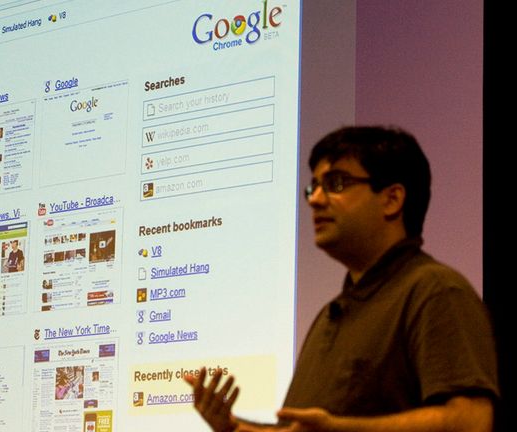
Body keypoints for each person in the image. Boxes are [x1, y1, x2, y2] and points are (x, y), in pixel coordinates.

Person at [185, 126, 498, 431]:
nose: (315, 199)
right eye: (313, 186)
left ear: (392, 199)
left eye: (336, 183)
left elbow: (471, 421)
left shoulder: (435, 290)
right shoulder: (329, 314)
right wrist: (233, 428)